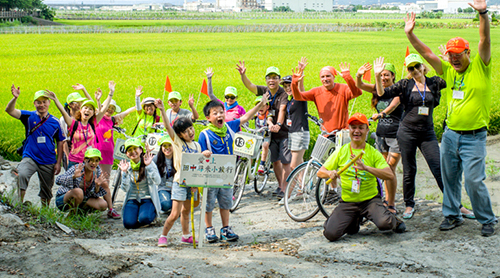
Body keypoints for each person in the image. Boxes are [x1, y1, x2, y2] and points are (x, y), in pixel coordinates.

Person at [404, 2, 497, 236]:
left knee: (474, 181)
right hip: (450, 135)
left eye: (458, 55)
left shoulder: (481, 66)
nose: (454, 59)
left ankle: (487, 219)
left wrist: (482, 13)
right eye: (450, 55)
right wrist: (410, 34)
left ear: (467, 53)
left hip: (475, 136)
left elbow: (485, 40)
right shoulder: (448, 71)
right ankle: (452, 215)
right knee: (450, 177)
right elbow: (426, 54)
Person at [318, 113, 406, 241]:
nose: (357, 131)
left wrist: (366, 168)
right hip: (348, 202)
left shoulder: (372, 152)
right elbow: (320, 172)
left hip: (370, 201)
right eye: (353, 127)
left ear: (367, 130)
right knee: (330, 234)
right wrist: (329, 173)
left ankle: (393, 220)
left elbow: (389, 174)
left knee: (384, 224)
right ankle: (355, 219)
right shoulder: (342, 151)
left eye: (361, 127)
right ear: (349, 129)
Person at [197, 94, 269, 243]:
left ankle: (226, 228)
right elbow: (199, 155)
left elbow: (246, 117)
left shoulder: (230, 127)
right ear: (208, 118)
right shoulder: (204, 135)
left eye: (221, 112)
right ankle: (209, 228)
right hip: (210, 176)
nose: (219, 115)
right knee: (208, 203)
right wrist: (203, 153)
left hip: (227, 174)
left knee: (226, 202)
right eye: (215, 113)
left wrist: (260, 104)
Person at [236, 62, 291, 199]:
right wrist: (243, 75)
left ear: (279, 79)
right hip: (268, 133)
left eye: (275, 77)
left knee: (285, 161)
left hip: (282, 131)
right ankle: (280, 186)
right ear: (266, 80)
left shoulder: (283, 93)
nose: (271, 80)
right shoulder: (265, 91)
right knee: (275, 161)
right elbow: (250, 86)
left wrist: (278, 124)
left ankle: (286, 189)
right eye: (269, 77)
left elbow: (282, 109)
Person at [355, 62, 402, 215]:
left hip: (396, 136)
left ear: (393, 76)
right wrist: (359, 74)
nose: (383, 78)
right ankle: (386, 199)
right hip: (381, 134)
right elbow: (360, 85)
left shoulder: (398, 90)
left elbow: (393, 106)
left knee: (389, 169)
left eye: (386, 74)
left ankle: (391, 202)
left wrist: (381, 114)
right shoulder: (376, 89)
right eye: (381, 75)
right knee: (384, 168)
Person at [6, 87, 64, 206]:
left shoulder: (55, 121)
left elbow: (60, 141)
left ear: (48, 103)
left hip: (48, 160)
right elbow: (9, 110)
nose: (41, 105)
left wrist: (58, 162)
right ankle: (19, 205)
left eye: (44, 102)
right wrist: (15, 98)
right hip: (30, 156)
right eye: (38, 102)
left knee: (47, 188)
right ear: (34, 103)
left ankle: (45, 211)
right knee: (21, 174)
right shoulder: (28, 116)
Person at [156, 99, 201, 246]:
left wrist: (196, 184)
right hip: (180, 182)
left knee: (186, 211)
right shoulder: (178, 143)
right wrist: (162, 110)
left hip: (191, 183)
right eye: (186, 131)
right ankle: (163, 235)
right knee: (175, 213)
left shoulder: (197, 145)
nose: (190, 132)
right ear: (180, 135)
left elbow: (198, 165)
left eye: (191, 129)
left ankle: (186, 235)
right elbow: (168, 127)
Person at [46, 83, 112, 168]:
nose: (88, 110)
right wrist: (55, 99)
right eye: (85, 108)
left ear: (93, 113)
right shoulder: (73, 124)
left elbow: (103, 109)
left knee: (91, 181)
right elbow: (62, 111)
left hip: (91, 161)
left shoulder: (93, 124)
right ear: (81, 110)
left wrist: (111, 93)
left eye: (91, 109)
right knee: (73, 181)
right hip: (75, 162)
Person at [291, 62, 363, 134]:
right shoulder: (316, 92)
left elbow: (358, 92)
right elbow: (298, 97)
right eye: (322, 77)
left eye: (328, 76)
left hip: (342, 133)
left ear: (334, 77)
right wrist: (294, 83)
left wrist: (347, 77)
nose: (325, 79)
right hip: (326, 134)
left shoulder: (343, 89)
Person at [95, 97, 135, 219]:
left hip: (108, 154)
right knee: (95, 179)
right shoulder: (97, 117)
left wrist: (138, 104)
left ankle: (110, 208)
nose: (110, 110)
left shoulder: (112, 120)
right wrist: (98, 100)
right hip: (96, 153)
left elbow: (126, 113)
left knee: (105, 180)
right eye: (109, 107)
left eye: (112, 108)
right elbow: (96, 107)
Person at [118, 138, 161, 229]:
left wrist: (148, 166)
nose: (133, 152)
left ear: (141, 150)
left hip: (147, 198)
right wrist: (125, 173)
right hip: (132, 199)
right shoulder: (126, 166)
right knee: (129, 224)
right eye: (129, 150)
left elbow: (158, 181)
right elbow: (124, 189)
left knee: (144, 218)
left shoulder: (149, 163)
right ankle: (136, 214)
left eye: (135, 149)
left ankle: (149, 214)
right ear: (126, 153)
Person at [55, 148, 108, 213]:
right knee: (78, 191)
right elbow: (57, 180)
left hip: (84, 198)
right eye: (91, 160)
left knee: (103, 205)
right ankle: (71, 216)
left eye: (96, 161)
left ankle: (80, 212)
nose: (94, 163)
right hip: (63, 199)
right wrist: (73, 177)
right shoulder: (77, 168)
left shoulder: (97, 171)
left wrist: (97, 186)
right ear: (85, 160)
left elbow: (94, 194)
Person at [282, 57, 310, 171]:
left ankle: (289, 189)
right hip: (292, 133)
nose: (288, 88)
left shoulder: (299, 97)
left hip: (300, 132)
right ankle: (303, 187)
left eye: (290, 85)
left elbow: (301, 89)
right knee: (300, 163)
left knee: (293, 166)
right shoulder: (290, 100)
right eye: (285, 86)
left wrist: (301, 71)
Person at [60, 88, 92, 170]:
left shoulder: (83, 116)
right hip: (70, 151)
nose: (79, 104)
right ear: (70, 104)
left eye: (80, 102)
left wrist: (84, 90)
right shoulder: (64, 119)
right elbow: (64, 140)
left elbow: (93, 106)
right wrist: (67, 157)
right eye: (77, 102)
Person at [153, 135, 176, 214]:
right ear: (161, 147)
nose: (167, 148)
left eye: (169, 145)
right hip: (163, 188)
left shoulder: (178, 157)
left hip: (176, 188)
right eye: (164, 146)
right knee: (165, 204)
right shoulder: (157, 158)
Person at [253, 96, 270, 174]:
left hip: (266, 135)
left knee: (265, 145)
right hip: (257, 135)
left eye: (263, 105)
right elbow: (247, 117)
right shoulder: (255, 114)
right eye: (259, 105)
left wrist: (271, 125)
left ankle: (262, 164)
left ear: (267, 106)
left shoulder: (268, 115)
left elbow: (270, 120)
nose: (261, 108)